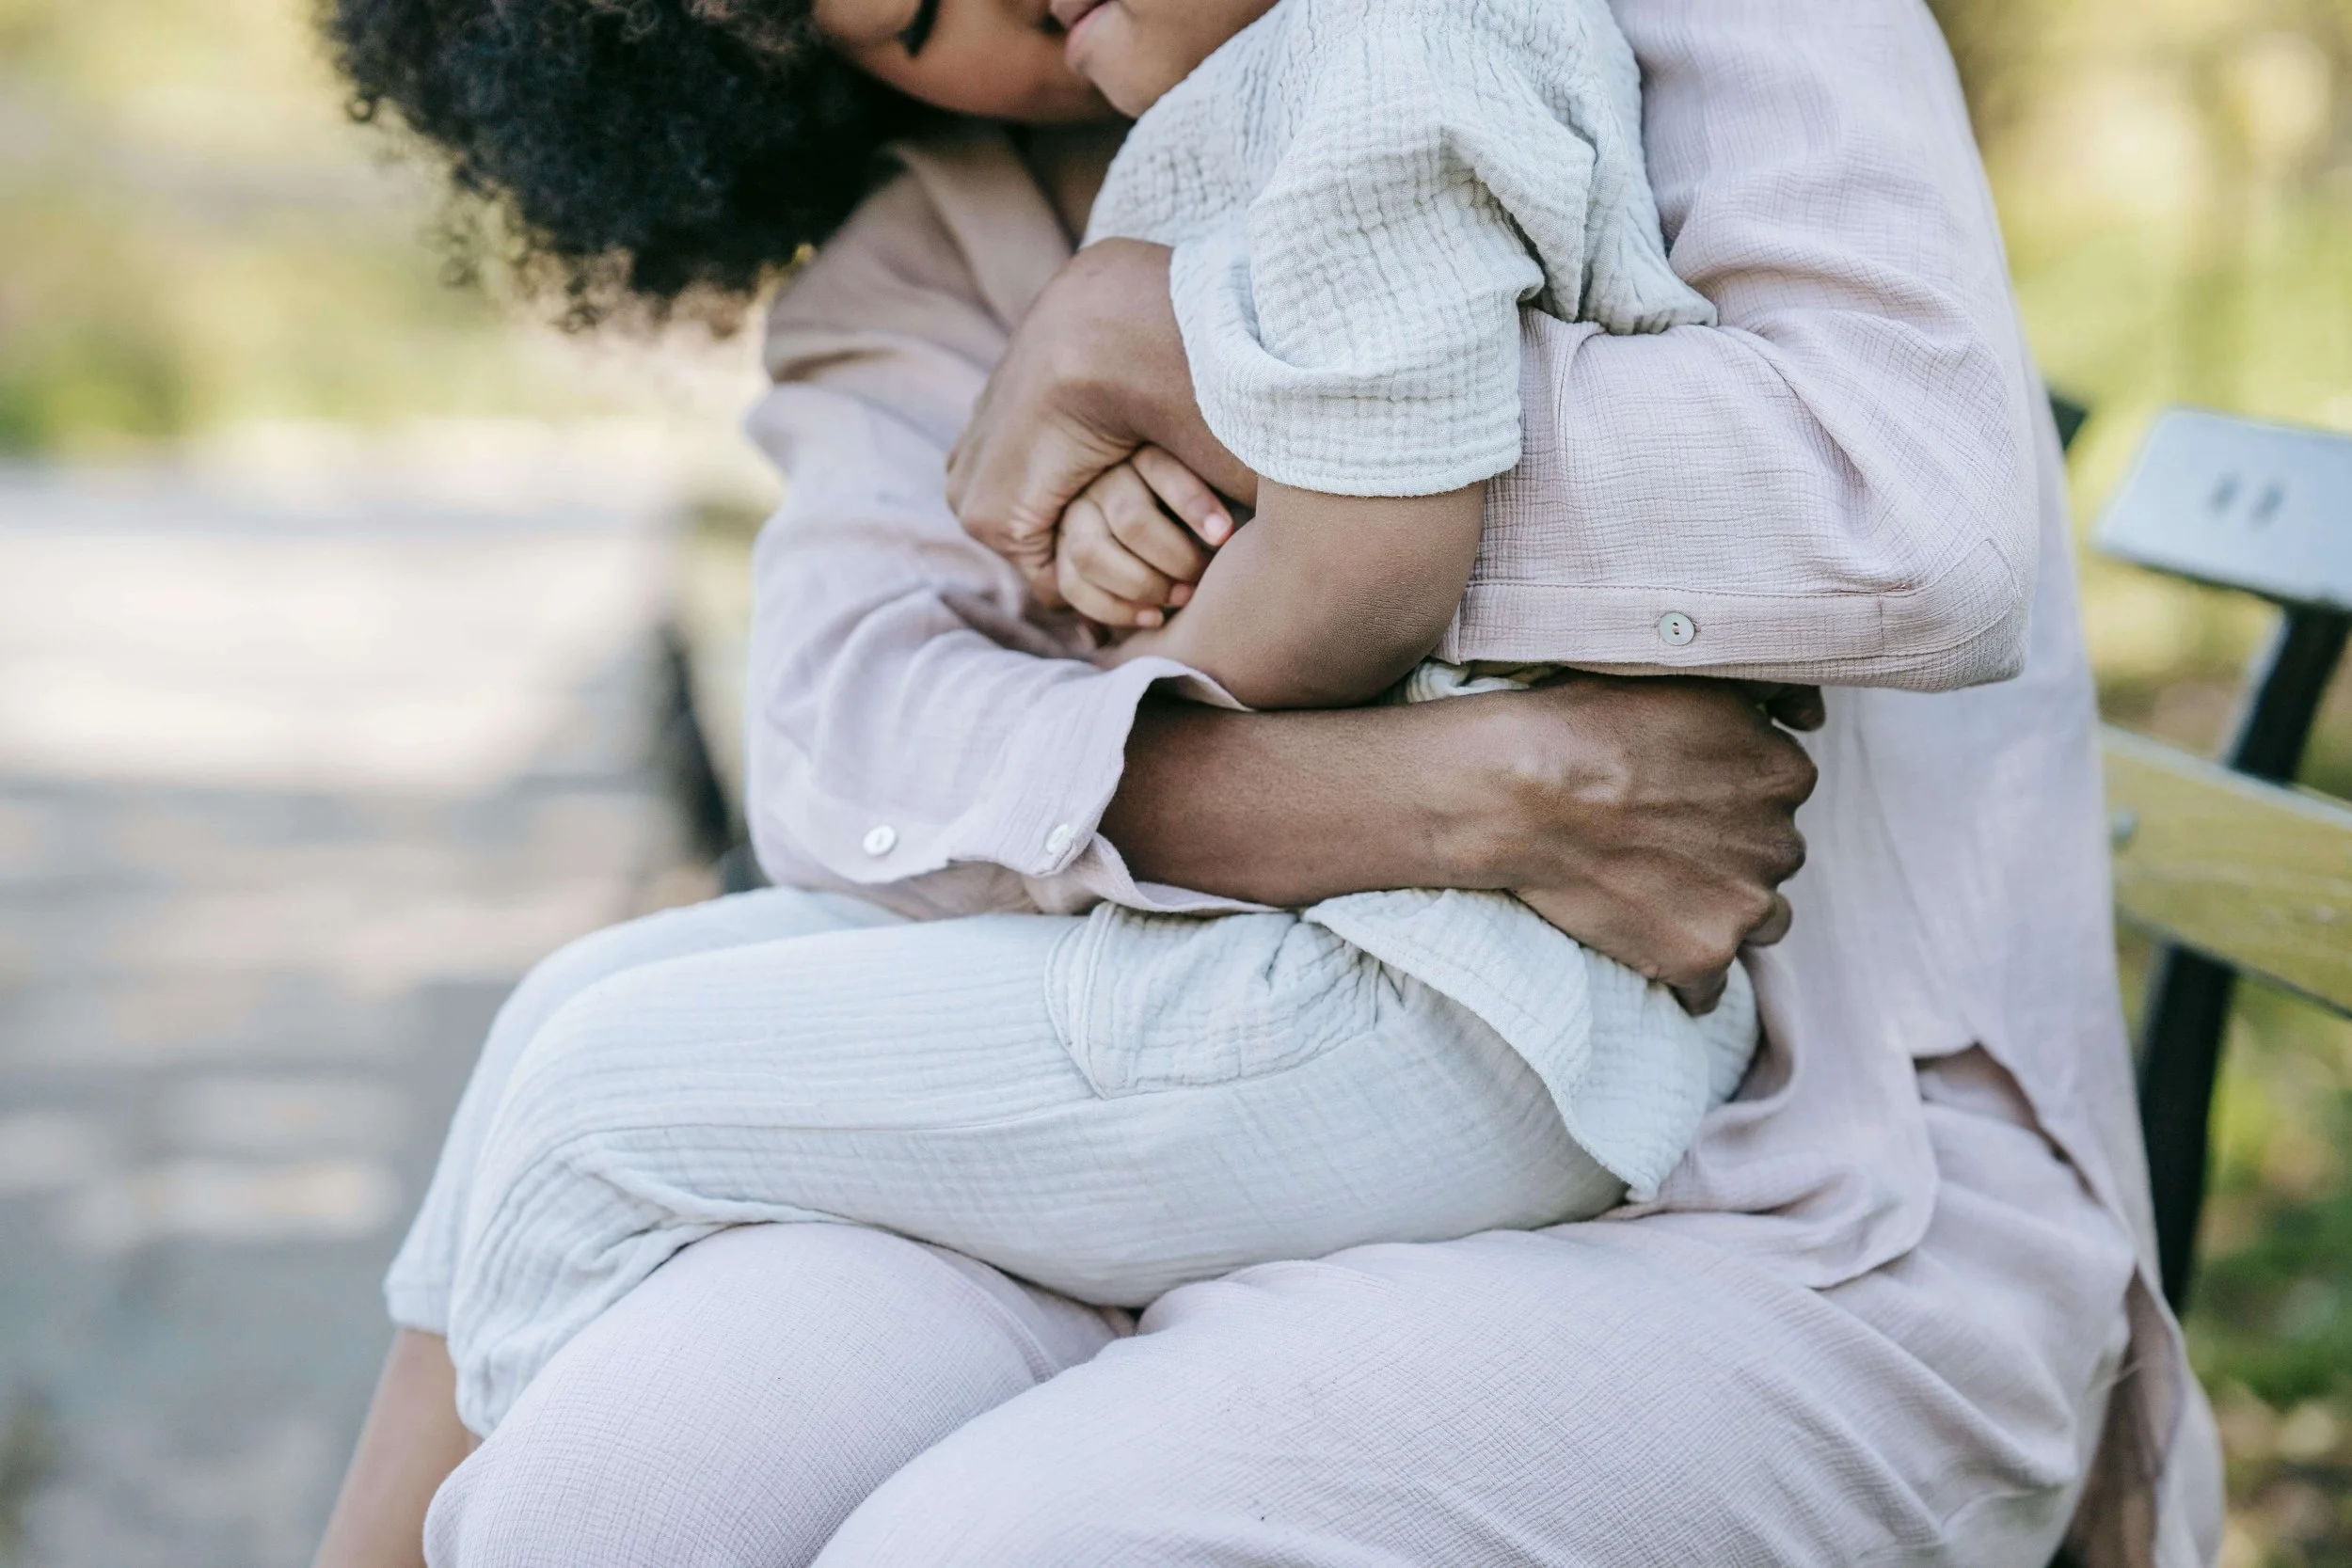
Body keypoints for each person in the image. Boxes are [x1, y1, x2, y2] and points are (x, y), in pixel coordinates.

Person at [312, 0, 2225, 1564]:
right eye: (905, 19)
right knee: (600, 1501)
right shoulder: (928, 236)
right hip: (1167, 1118)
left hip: (1812, 1190)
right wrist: (1455, 793)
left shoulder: (1465, 48)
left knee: (1000, 1542)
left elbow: (1910, 520)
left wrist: (1182, 356)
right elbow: (854, 746)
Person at [432, 0, 1775, 1441]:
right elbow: (844, 744)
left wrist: (1133, 599)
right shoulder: (1092, 167)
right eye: (918, 20)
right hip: (1338, 943)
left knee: (590, 1101)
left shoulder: (1393, 64)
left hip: (1463, 1000)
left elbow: (1371, 569)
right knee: (560, 1013)